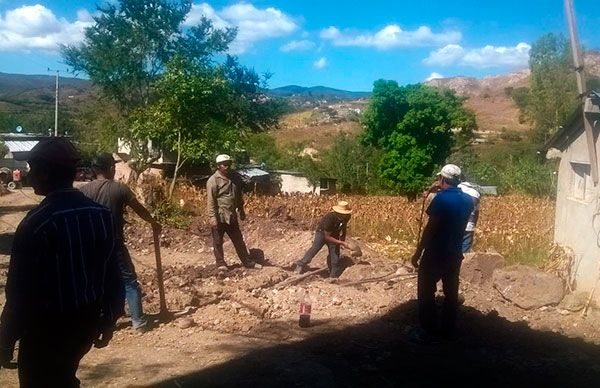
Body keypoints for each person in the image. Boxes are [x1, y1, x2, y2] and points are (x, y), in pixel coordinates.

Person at [0, 138, 122, 387]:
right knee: (64, 376)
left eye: (33, 169)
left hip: (47, 330)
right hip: (85, 324)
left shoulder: (38, 223)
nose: (30, 174)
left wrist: (6, 340)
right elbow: (112, 273)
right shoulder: (101, 216)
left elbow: (19, 293)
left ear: (45, 172)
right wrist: (109, 319)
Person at [80, 153, 161, 332]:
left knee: (97, 282)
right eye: (114, 166)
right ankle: (138, 322)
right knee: (129, 281)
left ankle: (100, 322)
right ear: (110, 168)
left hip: (90, 246)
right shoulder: (120, 189)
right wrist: (154, 223)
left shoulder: (83, 191)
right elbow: (139, 209)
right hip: (114, 244)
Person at [411, 164, 473, 342]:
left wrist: (418, 252)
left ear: (442, 180)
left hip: (436, 252)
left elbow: (430, 228)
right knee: (451, 292)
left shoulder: (441, 200)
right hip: (455, 253)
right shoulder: (468, 200)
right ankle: (448, 329)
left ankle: (428, 330)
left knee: (426, 291)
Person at [207, 154, 259, 271]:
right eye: (224, 164)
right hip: (220, 216)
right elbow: (210, 201)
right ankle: (221, 264)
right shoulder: (213, 181)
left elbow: (238, 196)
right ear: (218, 166)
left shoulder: (235, 178)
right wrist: (212, 218)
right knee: (217, 242)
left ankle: (248, 262)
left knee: (238, 240)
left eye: (229, 164)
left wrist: (241, 210)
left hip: (231, 216)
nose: (227, 166)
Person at [294, 201, 352, 278]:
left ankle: (333, 274)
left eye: (346, 213)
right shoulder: (330, 218)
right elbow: (327, 237)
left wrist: (342, 239)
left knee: (335, 254)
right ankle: (300, 265)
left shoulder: (347, 216)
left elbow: (343, 228)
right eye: (343, 214)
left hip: (334, 233)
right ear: (338, 212)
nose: (345, 215)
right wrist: (341, 242)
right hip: (322, 233)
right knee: (315, 249)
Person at [458, 181, 481, 253]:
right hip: (469, 226)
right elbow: (477, 212)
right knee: (465, 253)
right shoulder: (476, 193)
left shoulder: (457, 189)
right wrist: (474, 225)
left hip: (456, 225)